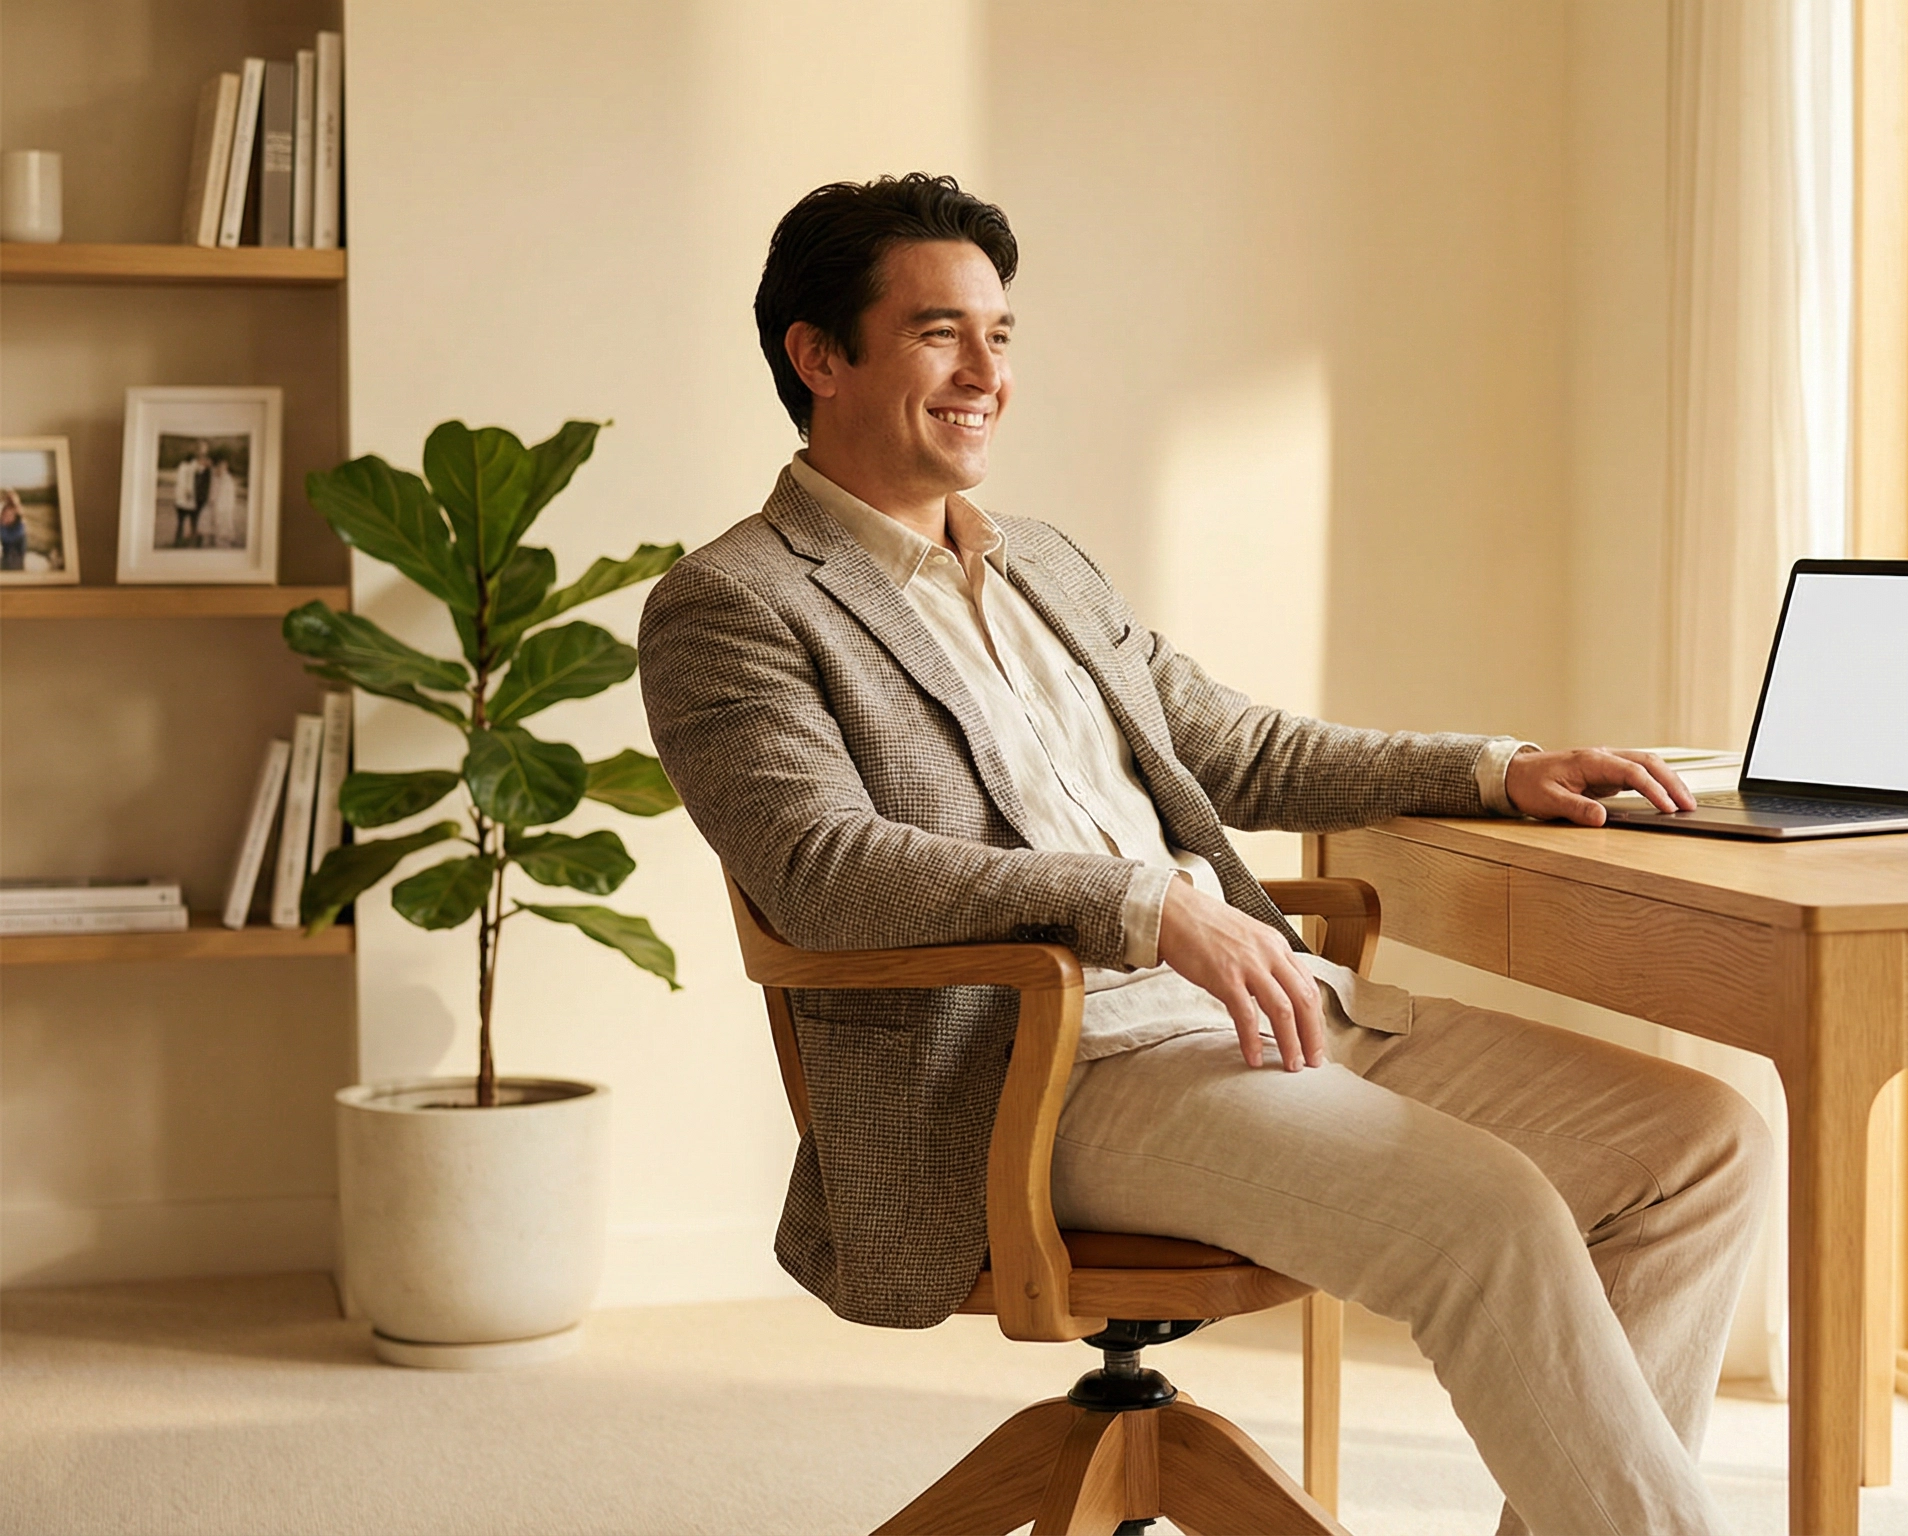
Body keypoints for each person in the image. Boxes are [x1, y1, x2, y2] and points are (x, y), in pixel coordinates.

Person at [637, 174, 1770, 1535]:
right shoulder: (733, 603)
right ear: (819, 356)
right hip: (1048, 1071)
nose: (988, 373)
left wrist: (1497, 767)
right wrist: (1143, 905)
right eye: (942, 335)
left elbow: (1238, 746)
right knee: (1491, 1215)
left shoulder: (1042, 562)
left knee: (1700, 1144)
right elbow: (824, 867)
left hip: (1266, 1006)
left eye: (1002, 335)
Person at [171, 443, 209, 548]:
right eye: (199, 452)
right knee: (182, 523)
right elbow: (198, 469)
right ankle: (180, 543)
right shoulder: (187, 466)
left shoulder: (188, 466)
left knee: (191, 523)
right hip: (184, 499)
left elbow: (202, 470)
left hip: (191, 500)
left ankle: (188, 543)